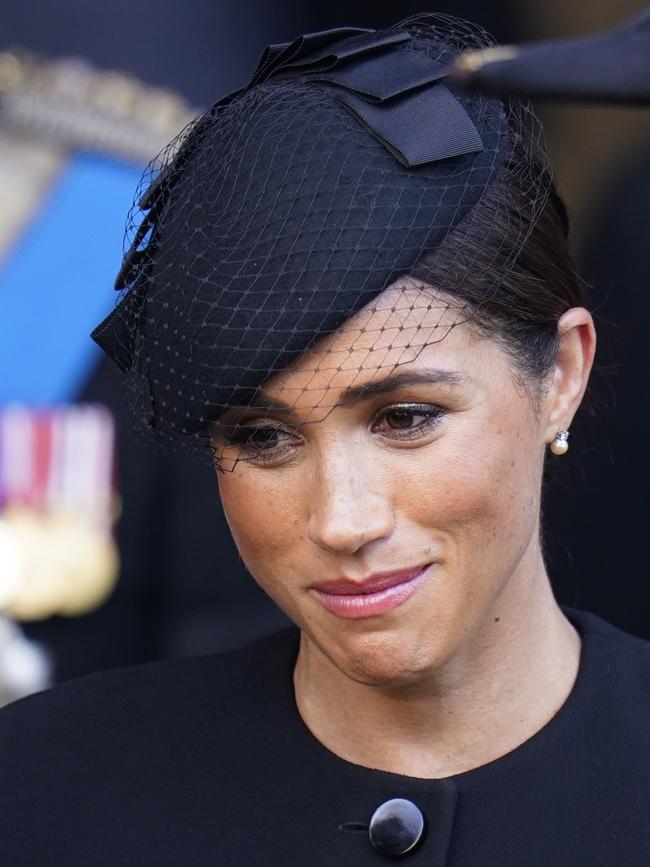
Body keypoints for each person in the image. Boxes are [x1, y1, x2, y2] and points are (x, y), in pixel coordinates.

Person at [1, 14, 648, 865]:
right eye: (264, 436)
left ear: (561, 373)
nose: (342, 520)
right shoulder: (43, 787)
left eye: (404, 418)